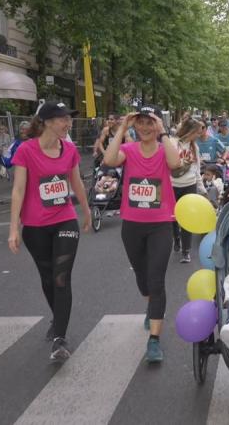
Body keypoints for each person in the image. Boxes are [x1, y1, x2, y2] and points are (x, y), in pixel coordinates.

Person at [8, 101, 91, 362]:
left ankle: (60, 338)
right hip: (34, 226)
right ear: (45, 122)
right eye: (62, 119)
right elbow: (18, 190)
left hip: (64, 219)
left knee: (61, 278)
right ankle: (58, 317)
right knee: (47, 277)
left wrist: (86, 210)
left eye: (69, 118)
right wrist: (13, 229)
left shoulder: (69, 150)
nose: (68, 123)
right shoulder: (26, 150)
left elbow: (75, 181)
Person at [103, 104, 180, 363]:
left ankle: (155, 340)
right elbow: (109, 160)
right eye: (141, 122)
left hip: (161, 224)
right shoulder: (128, 150)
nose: (145, 128)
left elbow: (175, 163)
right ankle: (151, 305)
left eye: (151, 123)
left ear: (157, 125)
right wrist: (122, 127)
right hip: (132, 225)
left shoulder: (163, 148)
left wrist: (164, 132)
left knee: (156, 280)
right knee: (143, 278)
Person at [171, 118, 206, 263]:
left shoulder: (194, 147)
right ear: (190, 131)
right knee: (173, 218)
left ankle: (186, 251)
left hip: (189, 186)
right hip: (172, 185)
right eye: (197, 132)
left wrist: (202, 189)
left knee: (187, 219)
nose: (199, 135)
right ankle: (176, 238)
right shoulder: (172, 143)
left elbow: (196, 170)